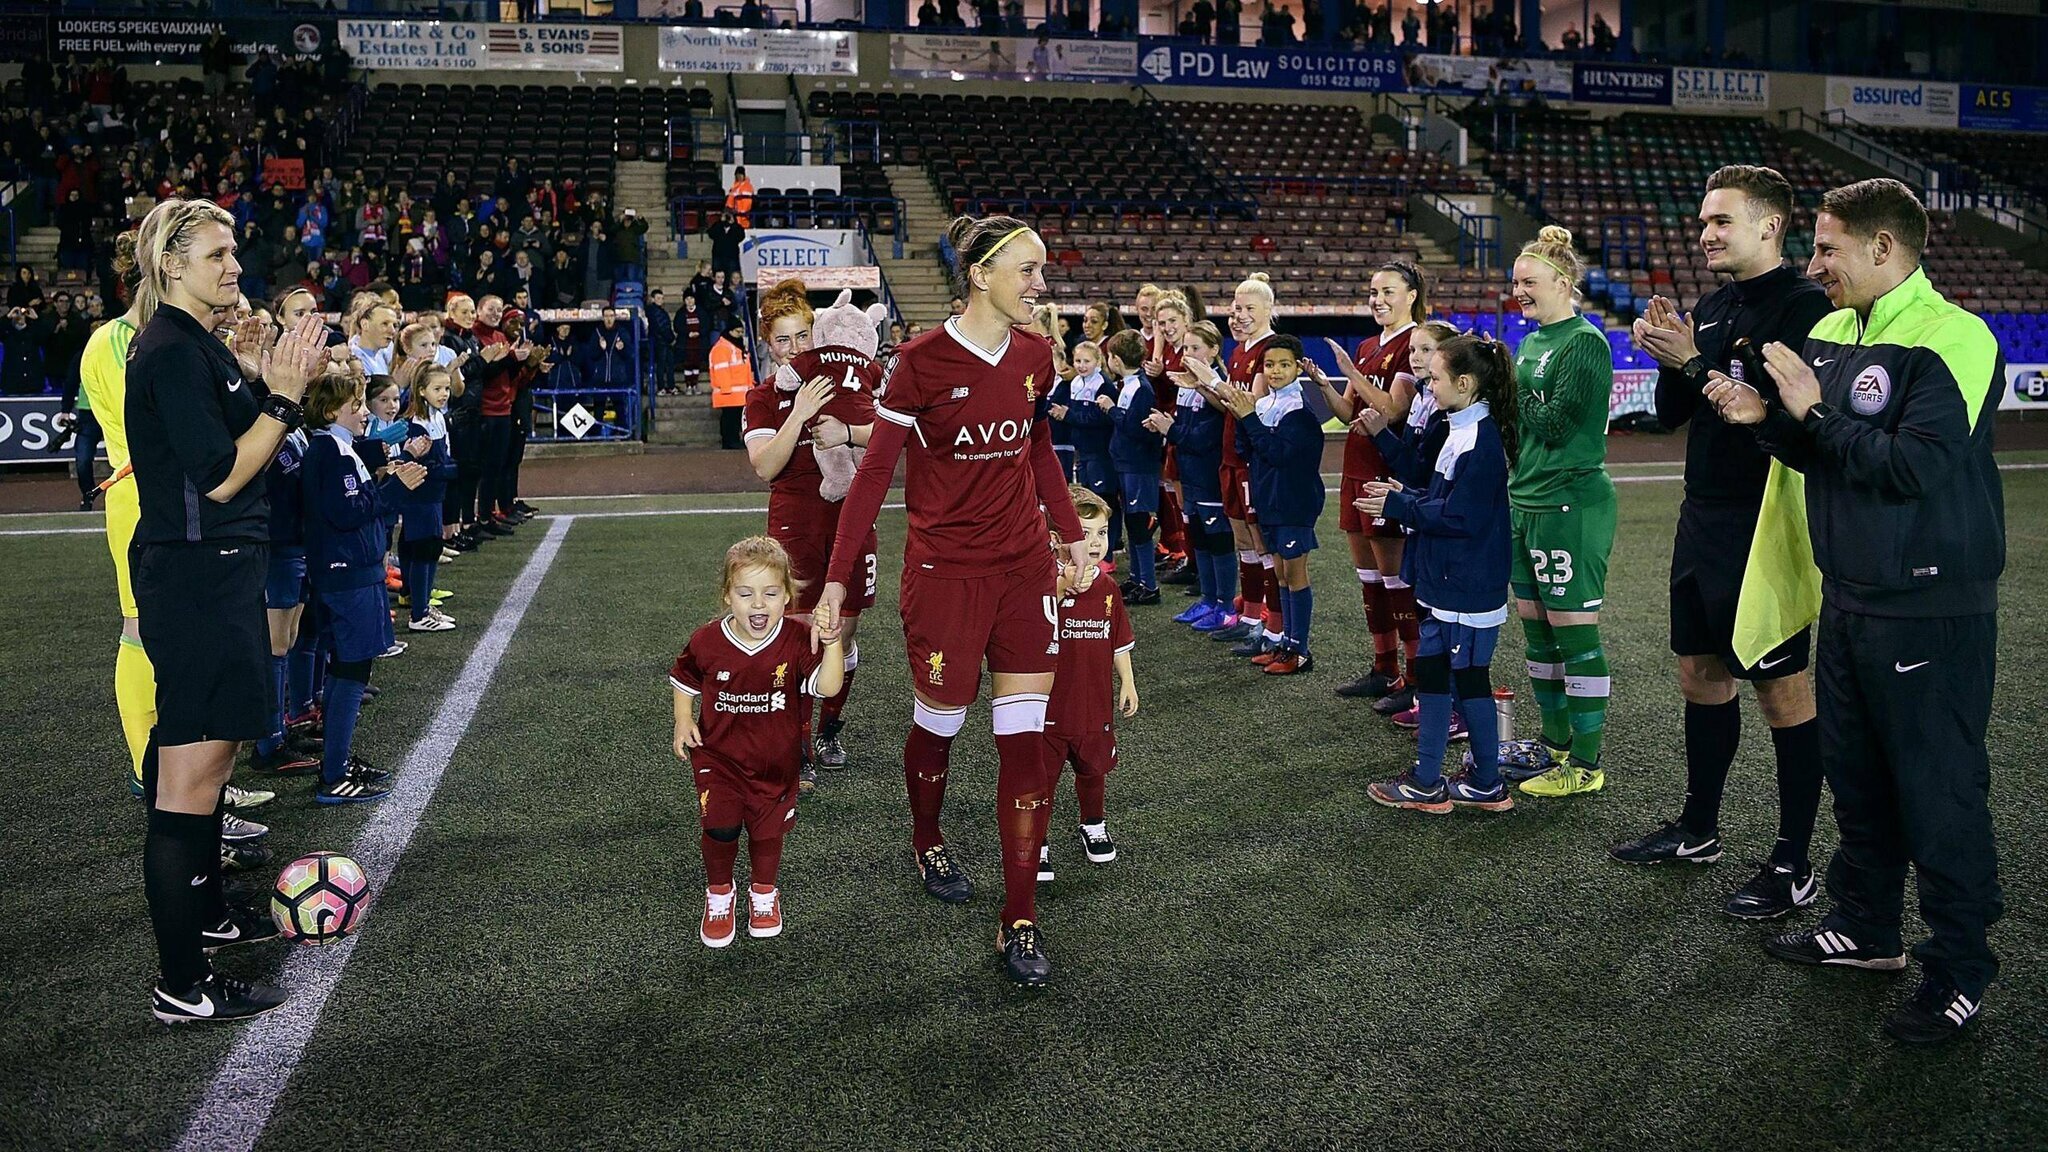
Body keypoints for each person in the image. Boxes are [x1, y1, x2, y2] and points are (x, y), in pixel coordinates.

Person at [1706, 178, 2006, 1046]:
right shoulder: (1834, 330)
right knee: (1861, 779)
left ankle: (1959, 970)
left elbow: (1911, 466)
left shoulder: (1956, 337)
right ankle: (1867, 927)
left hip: (1930, 606)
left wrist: (1811, 408)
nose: (1815, 264)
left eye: (1829, 248)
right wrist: (1768, 419)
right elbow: (1823, 454)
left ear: (1884, 248)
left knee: (1939, 791)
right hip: (1850, 596)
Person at [817, 214, 1090, 988]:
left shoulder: (1037, 354)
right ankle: (926, 835)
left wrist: (1067, 534)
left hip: (1024, 572)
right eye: (1029, 272)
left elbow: (1035, 444)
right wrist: (837, 578)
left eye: (1042, 272)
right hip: (944, 578)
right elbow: (872, 475)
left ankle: (1021, 918)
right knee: (939, 722)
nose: (1042, 286)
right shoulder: (919, 362)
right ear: (981, 276)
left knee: (1024, 742)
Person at [1612, 166, 1835, 921]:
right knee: (1700, 672)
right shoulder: (1712, 303)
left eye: (1721, 222)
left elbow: (1784, 414)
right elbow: (1677, 410)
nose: (1705, 234)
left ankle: (1794, 861)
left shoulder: (1808, 307)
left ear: (1770, 225)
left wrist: (1696, 361)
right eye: (1704, 222)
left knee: (1781, 687)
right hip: (1701, 512)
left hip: (1766, 520)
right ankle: (1699, 828)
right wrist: (1665, 352)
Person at [125, 199, 327, 1024]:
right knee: (189, 785)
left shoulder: (192, 344)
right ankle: (181, 984)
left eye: (234, 251)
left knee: (201, 781)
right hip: (199, 580)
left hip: (214, 575)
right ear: (172, 265)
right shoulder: (170, 349)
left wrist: (262, 388)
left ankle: (205, 919)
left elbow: (253, 438)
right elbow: (220, 475)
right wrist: (278, 398)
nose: (234, 266)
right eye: (217, 254)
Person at [1362, 332, 1517, 814]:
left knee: (1462, 677)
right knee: (1440, 675)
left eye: (1436, 380)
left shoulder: (1480, 440)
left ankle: (1449, 782)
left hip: (1464, 585)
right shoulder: (1463, 430)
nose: (1430, 388)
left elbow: (1459, 519)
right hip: (1450, 580)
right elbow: (1445, 503)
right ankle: (1456, 780)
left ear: (1465, 383)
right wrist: (1405, 495)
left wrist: (1400, 503)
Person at [673, 536, 845, 947]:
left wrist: (834, 641)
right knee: (720, 827)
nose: (758, 605)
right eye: (745, 594)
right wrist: (683, 719)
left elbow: (828, 685)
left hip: (776, 764)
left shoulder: (797, 640)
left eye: (770, 594)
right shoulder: (707, 640)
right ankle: (720, 894)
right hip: (719, 758)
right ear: (727, 595)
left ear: (787, 596)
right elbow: (685, 679)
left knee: (767, 836)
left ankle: (764, 893)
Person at [744, 283, 883, 781]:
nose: (795, 348)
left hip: (851, 517)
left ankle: (828, 729)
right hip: (795, 521)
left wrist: (847, 431)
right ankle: (797, 742)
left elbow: (889, 435)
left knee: (842, 633)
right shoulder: (763, 396)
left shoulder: (846, 378)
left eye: (803, 335)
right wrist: (799, 413)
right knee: (802, 633)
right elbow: (765, 466)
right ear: (768, 343)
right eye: (783, 340)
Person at [1498, 226, 1616, 799]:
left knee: (1575, 638)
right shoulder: (1533, 342)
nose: (1518, 291)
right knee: (1538, 639)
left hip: (1571, 503)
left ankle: (1586, 766)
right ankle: (1554, 748)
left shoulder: (1584, 342)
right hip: (1528, 499)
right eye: (1515, 282)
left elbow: (1555, 423)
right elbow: (1526, 425)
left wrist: (1508, 388)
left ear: (1563, 284)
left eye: (1529, 282)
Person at [302, 367, 423, 803]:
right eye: (355, 406)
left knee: (345, 668)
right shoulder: (329, 452)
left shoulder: (335, 448)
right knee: (352, 669)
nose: (362, 412)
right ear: (331, 411)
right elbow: (347, 512)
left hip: (348, 572)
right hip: (348, 575)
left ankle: (337, 761)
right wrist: (393, 487)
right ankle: (334, 773)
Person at [1320, 261, 1427, 711]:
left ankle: (1416, 677)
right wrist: (1324, 381)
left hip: (1389, 472)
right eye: (1372, 292)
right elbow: (1349, 415)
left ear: (1411, 296)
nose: (1378, 300)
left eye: (1388, 292)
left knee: (1396, 579)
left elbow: (1392, 411)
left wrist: (1351, 370)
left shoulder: (1414, 344)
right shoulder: (1367, 344)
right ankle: (1383, 667)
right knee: (1369, 578)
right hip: (1356, 469)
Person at [1208, 334, 1324, 675]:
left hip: (1293, 504)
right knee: (1282, 576)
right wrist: (1245, 416)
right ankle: (1285, 643)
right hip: (1270, 501)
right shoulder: (1266, 404)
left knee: (1294, 574)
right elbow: (1247, 449)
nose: (1275, 371)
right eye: (1269, 364)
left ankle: (1299, 650)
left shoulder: (1300, 412)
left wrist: (1250, 420)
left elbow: (1278, 454)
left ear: (1299, 368)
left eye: (1284, 364)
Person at [1039, 484, 1137, 882]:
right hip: (1046, 707)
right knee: (1040, 777)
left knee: (1093, 769)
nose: (1095, 543)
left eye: (1101, 534)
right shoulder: (1041, 582)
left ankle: (1092, 824)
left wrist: (1127, 683)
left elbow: (1119, 642)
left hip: (1094, 704)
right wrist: (1062, 587)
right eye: (1084, 533)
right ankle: (1037, 841)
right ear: (1057, 539)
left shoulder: (1109, 589)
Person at [1215, 274, 1281, 654]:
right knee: (1244, 542)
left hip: (1252, 460)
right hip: (1230, 457)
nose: (1238, 315)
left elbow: (1251, 406)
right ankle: (1252, 617)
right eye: (1235, 308)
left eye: (1248, 308)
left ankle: (1272, 626)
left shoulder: (1269, 349)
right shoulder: (1239, 349)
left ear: (1268, 310)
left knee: (1261, 542)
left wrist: (1210, 381)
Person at [1157, 320, 1236, 629]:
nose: (1187, 354)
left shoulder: (1217, 386)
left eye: (1195, 348)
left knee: (1218, 541)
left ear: (1214, 350)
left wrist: (1171, 430)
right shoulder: (1188, 387)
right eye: (1185, 348)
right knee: (1200, 540)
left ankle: (1226, 606)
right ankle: (1208, 599)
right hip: (1190, 475)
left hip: (1210, 478)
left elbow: (1207, 438)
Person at [1098, 329, 1163, 604]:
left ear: (1115, 359)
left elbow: (1137, 429)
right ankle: (1138, 579)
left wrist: (1112, 409)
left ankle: (1149, 585)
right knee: (1132, 521)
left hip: (1139, 466)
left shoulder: (1140, 388)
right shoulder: (1129, 384)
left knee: (1138, 524)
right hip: (1128, 464)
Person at [397, 367, 459, 632]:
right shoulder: (416, 424)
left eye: (446, 388)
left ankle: (420, 604)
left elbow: (442, 458)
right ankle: (419, 613)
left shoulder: (438, 418)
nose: (444, 394)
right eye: (437, 389)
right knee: (423, 548)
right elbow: (429, 467)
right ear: (421, 391)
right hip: (420, 495)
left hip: (434, 494)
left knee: (429, 547)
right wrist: (459, 470)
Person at [1050, 339, 1118, 556]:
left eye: (1086, 361)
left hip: (1100, 453)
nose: (1081, 365)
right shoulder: (1076, 383)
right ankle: (1091, 548)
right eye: (1077, 360)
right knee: (1088, 500)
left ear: (1098, 361)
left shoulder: (1104, 385)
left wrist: (1068, 415)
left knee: (1104, 502)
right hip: (1083, 453)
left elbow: (1099, 419)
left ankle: (1110, 548)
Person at [708, 318, 752, 449]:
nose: (740, 335)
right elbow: (721, 371)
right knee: (730, 419)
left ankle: (732, 441)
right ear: (730, 331)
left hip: (736, 392)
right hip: (729, 392)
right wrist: (727, 390)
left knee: (734, 419)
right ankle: (729, 441)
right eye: (738, 332)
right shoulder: (722, 348)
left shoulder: (732, 347)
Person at [646, 288, 677, 397]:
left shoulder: (657, 311)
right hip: (661, 342)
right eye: (658, 298)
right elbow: (662, 327)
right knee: (663, 365)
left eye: (662, 298)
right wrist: (671, 338)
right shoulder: (655, 311)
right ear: (653, 299)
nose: (660, 300)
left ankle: (668, 387)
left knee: (668, 364)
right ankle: (663, 387)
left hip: (662, 341)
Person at [707, 210, 745, 278]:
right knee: (718, 275)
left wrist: (733, 224)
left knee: (732, 276)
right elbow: (711, 234)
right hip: (718, 256)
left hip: (732, 257)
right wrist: (720, 222)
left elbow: (741, 236)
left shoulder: (736, 227)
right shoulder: (718, 226)